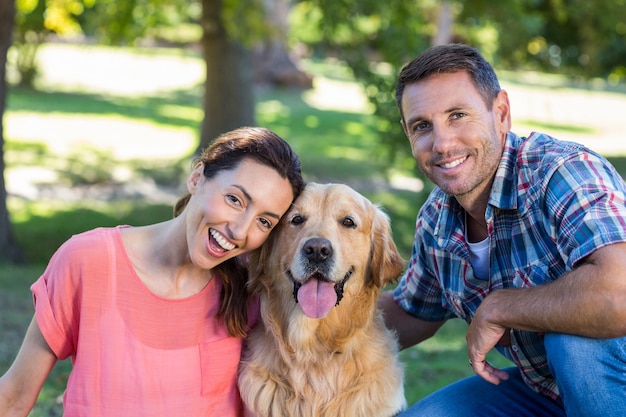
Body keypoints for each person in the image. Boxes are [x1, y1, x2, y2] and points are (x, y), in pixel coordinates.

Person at [379, 43, 626, 417]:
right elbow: (409, 313)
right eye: (422, 126)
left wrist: (500, 308)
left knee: (574, 343)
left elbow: (619, 294)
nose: (443, 144)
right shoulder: (437, 219)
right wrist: (295, 315)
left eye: (458, 115)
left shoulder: (561, 173)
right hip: (544, 393)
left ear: (501, 113)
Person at [0, 126, 305, 417]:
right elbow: (14, 396)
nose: (240, 230)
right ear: (197, 177)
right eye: (234, 199)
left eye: (264, 221)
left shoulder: (251, 293)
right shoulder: (87, 262)